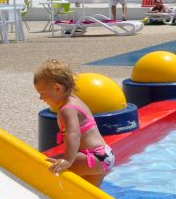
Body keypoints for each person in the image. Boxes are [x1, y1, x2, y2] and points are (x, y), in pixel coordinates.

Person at [34, 59, 115, 187]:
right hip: (103, 156)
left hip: (93, 157)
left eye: (42, 93)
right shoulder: (75, 100)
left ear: (57, 88)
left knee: (47, 166)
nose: (40, 97)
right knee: (89, 195)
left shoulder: (67, 110)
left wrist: (67, 160)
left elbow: (74, 134)